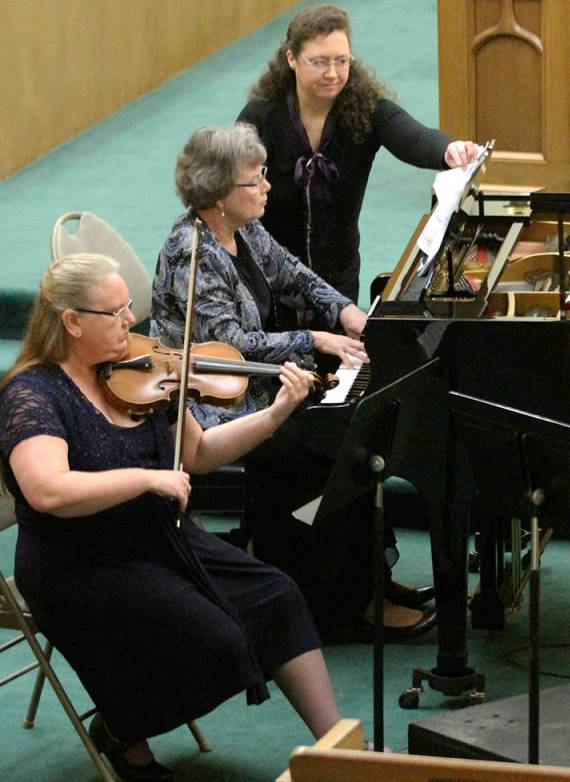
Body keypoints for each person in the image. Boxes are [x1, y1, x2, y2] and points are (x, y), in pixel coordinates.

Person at [0, 254, 343, 781]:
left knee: (277, 594)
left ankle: (338, 748)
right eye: (115, 312)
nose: (130, 321)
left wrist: (274, 414)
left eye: (128, 307)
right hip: (79, 561)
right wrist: (147, 478)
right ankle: (123, 730)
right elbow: (48, 492)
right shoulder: (32, 394)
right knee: (213, 640)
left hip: (159, 537)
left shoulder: (141, 369)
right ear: (71, 322)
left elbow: (200, 452)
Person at [150, 123, 435, 639]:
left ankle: (370, 579)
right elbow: (231, 347)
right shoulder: (191, 252)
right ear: (218, 192)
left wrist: (345, 312)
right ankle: (339, 601)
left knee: (349, 434)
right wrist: (316, 339)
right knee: (329, 451)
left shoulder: (242, 228)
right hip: (214, 403)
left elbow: (294, 274)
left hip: (263, 385)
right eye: (255, 180)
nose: (267, 187)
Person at [237, 3, 478, 303]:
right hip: (269, 282)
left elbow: (412, 135)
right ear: (291, 58)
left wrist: (448, 149)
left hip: (338, 281)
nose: (332, 73)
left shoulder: (365, 110)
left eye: (341, 60)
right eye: (319, 62)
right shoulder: (262, 116)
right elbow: (230, 181)